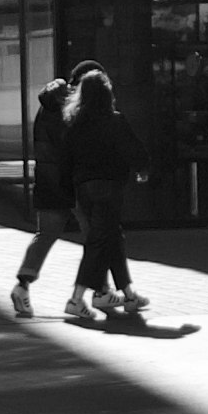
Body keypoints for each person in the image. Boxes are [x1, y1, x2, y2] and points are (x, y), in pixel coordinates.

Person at [57, 68, 150, 321]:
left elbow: (65, 159)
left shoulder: (74, 124)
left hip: (84, 189)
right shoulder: (114, 120)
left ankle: (129, 294)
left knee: (110, 237)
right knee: (100, 242)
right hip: (109, 187)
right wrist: (142, 168)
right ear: (107, 94)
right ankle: (76, 299)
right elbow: (132, 149)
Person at [10, 69, 81, 318]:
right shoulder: (68, 111)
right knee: (97, 237)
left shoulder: (45, 107)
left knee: (45, 235)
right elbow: (72, 147)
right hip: (71, 181)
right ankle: (94, 292)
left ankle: (23, 285)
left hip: (46, 180)